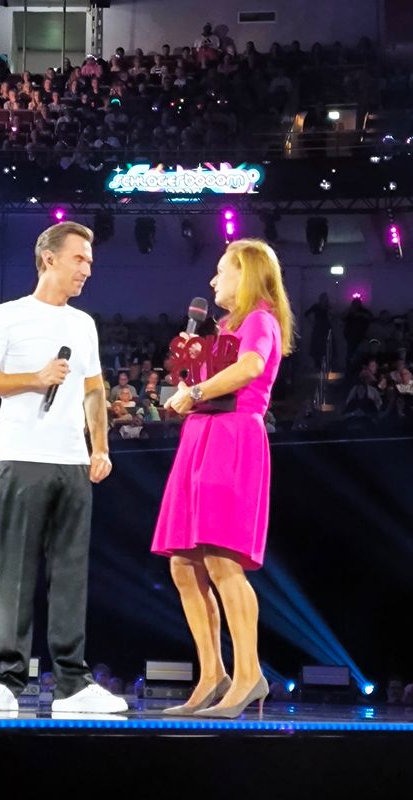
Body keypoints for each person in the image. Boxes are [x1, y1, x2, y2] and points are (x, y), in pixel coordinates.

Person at [0, 221, 128, 715]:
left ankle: (72, 685)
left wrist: (100, 447)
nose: (87, 270)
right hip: (21, 457)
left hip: (72, 463)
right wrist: (35, 378)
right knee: (15, 570)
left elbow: (94, 389)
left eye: (90, 262)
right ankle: (6, 680)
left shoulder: (83, 324)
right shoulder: (7, 315)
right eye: (79, 259)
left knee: (70, 574)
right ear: (48, 259)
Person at [150, 239, 294, 719]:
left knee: (221, 558)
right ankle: (213, 675)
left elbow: (251, 367)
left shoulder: (260, 320)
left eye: (221, 271)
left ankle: (249, 674)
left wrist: (194, 391)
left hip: (231, 438)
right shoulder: (228, 327)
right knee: (183, 563)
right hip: (201, 437)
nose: (213, 281)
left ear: (244, 274)